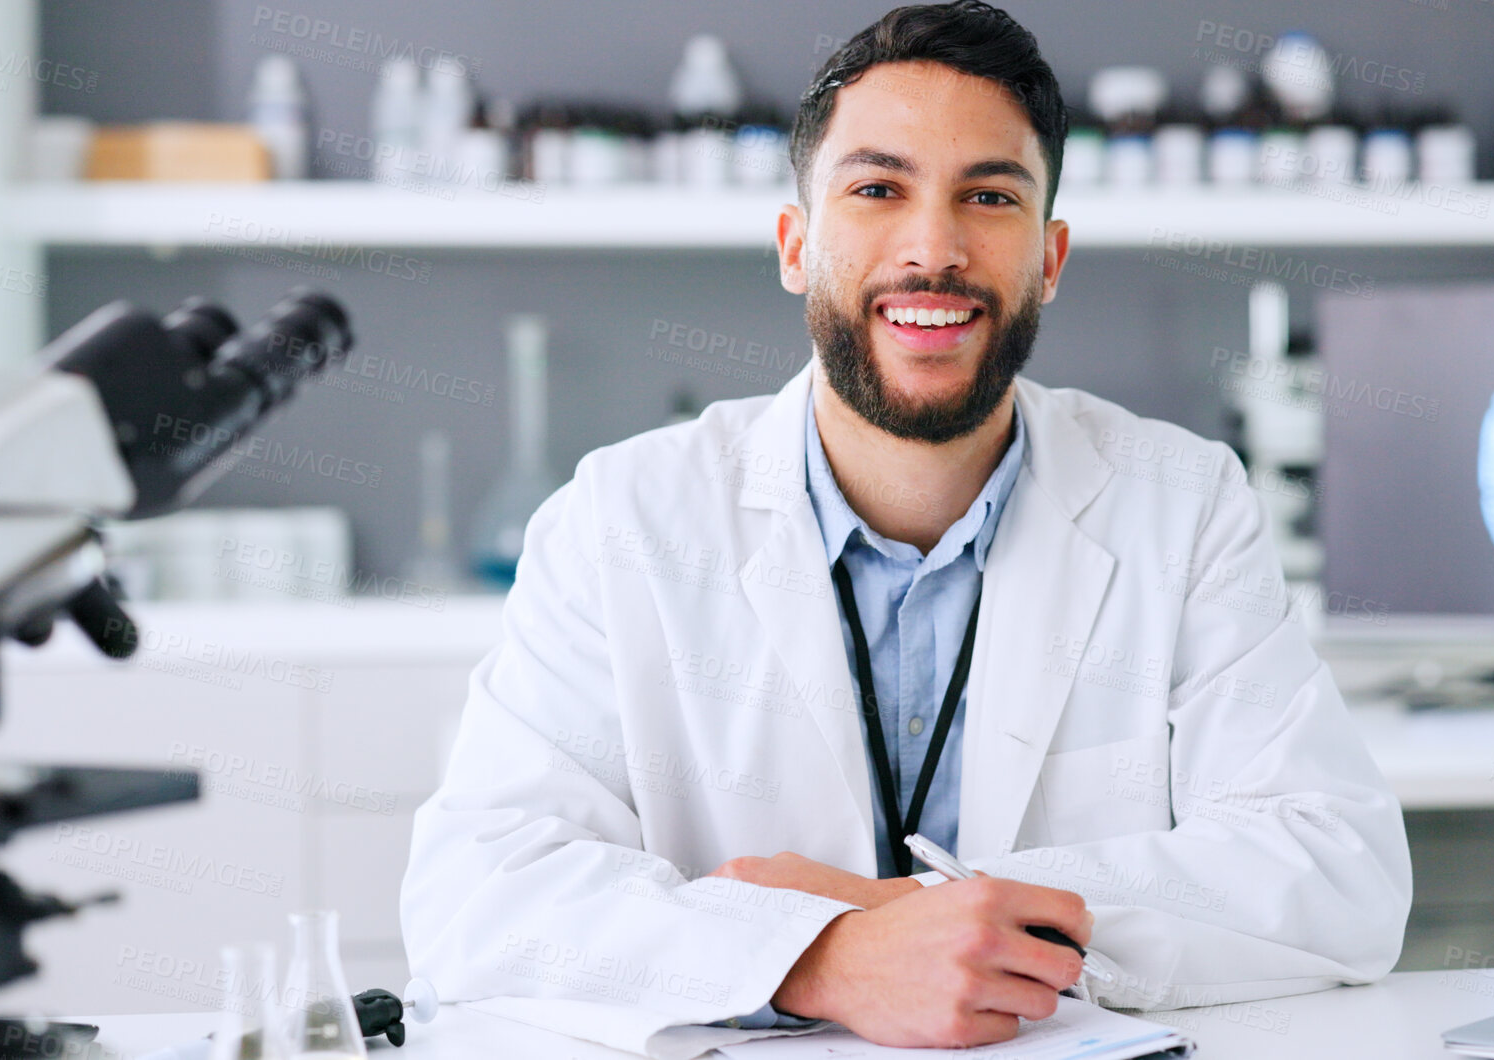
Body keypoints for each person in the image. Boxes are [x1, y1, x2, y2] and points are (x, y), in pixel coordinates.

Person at [400, 2, 1412, 1054]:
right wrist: (816, 954)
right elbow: (479, 893)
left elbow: (1338, 873)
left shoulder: (1182, 500)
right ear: (797, 244)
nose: (934, 248)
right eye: (877, 189)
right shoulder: (623, 518)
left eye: (988, 195)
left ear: (1050, 259)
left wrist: (943, 920)